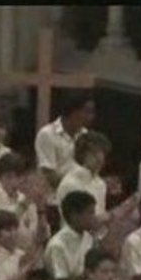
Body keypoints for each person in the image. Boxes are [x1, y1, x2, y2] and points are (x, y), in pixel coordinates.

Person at [35, 91, 96, 231]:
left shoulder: (86, 135)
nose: (91, 117)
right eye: (87, 112)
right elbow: (49, 175)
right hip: (54, 203)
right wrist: (75, 183)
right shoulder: (47, 134)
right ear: (74, 111)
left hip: (81, 205)